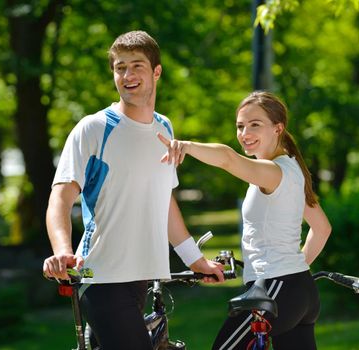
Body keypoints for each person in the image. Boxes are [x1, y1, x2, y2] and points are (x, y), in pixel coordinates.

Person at [42, 30, 224, 350]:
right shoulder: (95, 129)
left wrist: (196, 260)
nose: (127, 75)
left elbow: (163, 201)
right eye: (119, 67)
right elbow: (61, 197)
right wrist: (61, 250)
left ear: (156, 71)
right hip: (101, 276)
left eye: (137, 65)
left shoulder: (164, 128)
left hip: (140, 277)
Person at [158, 91, 332, 350]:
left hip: (276, 290)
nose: (244, 133)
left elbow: (228, 159)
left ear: (278, 128)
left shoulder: (272, 171)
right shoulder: (292, 169)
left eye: (255, 124)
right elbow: (322, 229)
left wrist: (185, 146)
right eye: (240, 126)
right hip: (299, 290)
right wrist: (292, 271)